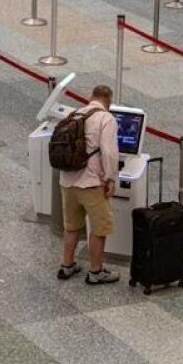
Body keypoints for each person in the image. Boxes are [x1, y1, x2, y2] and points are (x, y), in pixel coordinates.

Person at [58, 85, 120, 286]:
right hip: (92, 182)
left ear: (90, 97)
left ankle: (67, 265)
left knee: (71, 226)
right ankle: (96, 271)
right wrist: (111, 178)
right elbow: (109, 152)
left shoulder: (74, 114)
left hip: (68, 180)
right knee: (99, 228)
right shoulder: (106, 118)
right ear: (108, 101)